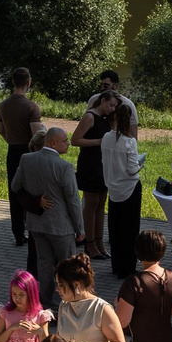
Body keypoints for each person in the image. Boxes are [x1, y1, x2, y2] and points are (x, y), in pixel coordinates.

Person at [14, 125, 84, 287]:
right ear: (53, 143)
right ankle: (68, 303)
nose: (68, 143)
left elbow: (15, 186)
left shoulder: (26, 159)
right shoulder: (64, 167)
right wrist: (79, 229)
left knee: (43, 265)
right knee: (68, 266)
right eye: (65, 141)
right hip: (61, 227)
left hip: (37, 224)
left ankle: (46, 302)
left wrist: (36, 199)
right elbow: (73, 200)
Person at [51, 254, 126, 342]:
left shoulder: (102, 308)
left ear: (76, 284)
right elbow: (60, 338)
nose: (57, 289)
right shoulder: (64, 306)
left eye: (61, 284)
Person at [76, 69, 121, 259]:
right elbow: (75, 140)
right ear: (102, 101)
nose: (112, 109)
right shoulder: (90, 116)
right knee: (91, 203)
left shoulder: (107, 119)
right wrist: (98, 142)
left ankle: (100, 242)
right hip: (90, 163)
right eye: (110, 105)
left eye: (114, 107)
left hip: (104, 164)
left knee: (102, 203)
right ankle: (89, 244)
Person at [0, 69, 42, 247]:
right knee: (31, 191)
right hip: (28, 152)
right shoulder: (32, 107)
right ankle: (33, 229)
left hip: (12, 151)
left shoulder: (3, 105)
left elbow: (1, 130)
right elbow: (37, 135)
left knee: (14, 191)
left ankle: (18, 233)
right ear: (28, 82)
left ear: (13, 82)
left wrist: (11, 140)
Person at [98, 93, 145, 268]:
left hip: (113, 187)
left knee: (115, 228)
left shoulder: (106, 138)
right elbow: (132, 168)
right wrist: (140, 163)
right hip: (130, 187)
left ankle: (116, 264)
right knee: (130, 229)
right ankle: (128, 266)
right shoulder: (129, 142)